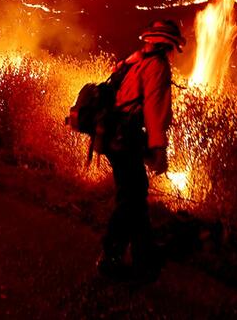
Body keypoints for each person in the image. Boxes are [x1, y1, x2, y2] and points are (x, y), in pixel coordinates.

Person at [97, 19, 185, 279]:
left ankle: (144, 252)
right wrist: (158, 149)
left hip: (114, 134)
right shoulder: (157, 66)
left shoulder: (135, 61)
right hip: (127, 137)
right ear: (167, 45)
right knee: (131, 198)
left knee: (135, 193)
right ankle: (110, 255)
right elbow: (154, 109)